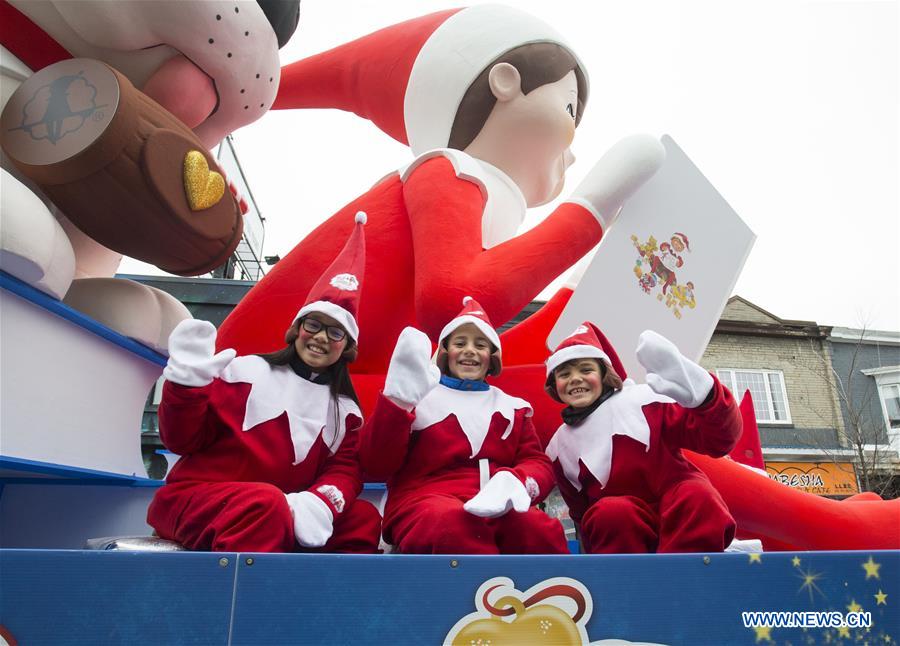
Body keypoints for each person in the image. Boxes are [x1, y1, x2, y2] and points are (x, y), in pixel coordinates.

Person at [147, 212, 381, 553]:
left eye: (336, 333)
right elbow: (182, 440)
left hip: (279, 508)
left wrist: (318, 503)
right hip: (199, 499)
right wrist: (186, 387)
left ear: (346, 348)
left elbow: (344, 472)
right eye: (314, 325)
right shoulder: (244, 372)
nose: (321, 338)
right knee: (267, 503)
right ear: (296, 330)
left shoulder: (344, 412)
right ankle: (249, 603)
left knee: (362, 518)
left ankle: (328, 604)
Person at [359, 297, 568, 554]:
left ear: (491, 358)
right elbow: (376, 464)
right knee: (452, 524)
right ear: (446, 354)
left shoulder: (513, 408)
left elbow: (536, 461)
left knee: (537, 528)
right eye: (460, 343)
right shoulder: (417, 397)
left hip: (498, 505)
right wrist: (396, 405)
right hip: (425, 503)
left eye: (480, 345)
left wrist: (516, 481)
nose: (470, 350)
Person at [544, 323, 742, 553]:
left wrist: (706, 397)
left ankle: (689, 577)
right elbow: (580, 512)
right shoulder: (559, 448)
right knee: (609, 513)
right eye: (564, 374)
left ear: (604, 375)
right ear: (554, 386)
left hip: (682, 516)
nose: (575, 379)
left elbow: (719, 439)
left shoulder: (646, 401)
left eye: (586, 370)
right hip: (624, 534)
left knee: (696, 495)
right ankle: (630, 584)